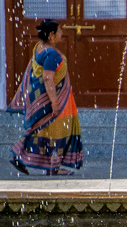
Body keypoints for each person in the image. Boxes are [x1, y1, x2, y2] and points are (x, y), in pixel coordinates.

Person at [7, 19, 83, 176]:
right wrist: (55, 103)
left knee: (41, 131)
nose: (62, 34)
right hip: (52, 100)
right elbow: (48, 78)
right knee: (56, 133)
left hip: (43, 100)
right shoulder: (52, 55)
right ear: (51, 35)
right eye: (60, 31)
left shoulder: (39, 48)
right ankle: (50, 167)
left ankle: (22, 158)